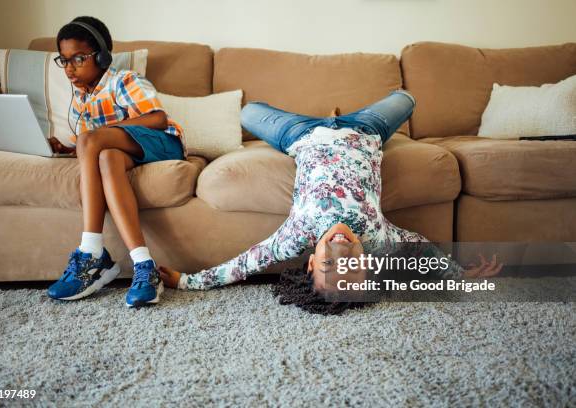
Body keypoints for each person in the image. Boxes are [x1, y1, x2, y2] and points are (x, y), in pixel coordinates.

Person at [159, 90, 502, 313]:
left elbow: (244, 264)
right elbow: (423, 252)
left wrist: (186, 281)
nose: (340, 251)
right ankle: (338, 114)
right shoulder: (378, 239)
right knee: (407, 98)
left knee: (247, 112)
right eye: (350, 266)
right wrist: (461, 277)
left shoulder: (296, 235)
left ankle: (326, 115)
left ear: (310, 264)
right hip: (366, 129)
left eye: (328, 265)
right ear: (366, 265)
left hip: (300, 134)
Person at [46, 16, 186, 307]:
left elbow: (158, 118)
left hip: (163, 143)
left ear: (101, 56)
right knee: (106, 157)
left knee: (90, 140)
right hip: (124, 152)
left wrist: (92, 139)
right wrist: (69, 148)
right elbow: (96, 146)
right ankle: (144, 266)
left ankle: (91, 252)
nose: (69, 68)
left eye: (79, 59)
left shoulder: (123, 81)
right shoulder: (81, 99)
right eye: (64, 60)